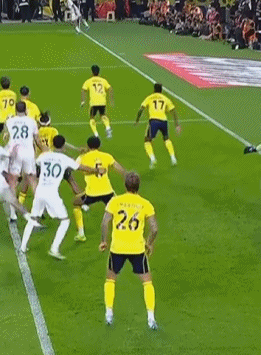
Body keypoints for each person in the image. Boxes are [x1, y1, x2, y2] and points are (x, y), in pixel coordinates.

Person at [20, 135, 101, 259]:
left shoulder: (44, 156)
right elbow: (81, 167)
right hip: (51, 194)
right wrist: (96, 171)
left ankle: (22, 246)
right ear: (63, 145)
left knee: (33, 218)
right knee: (65, 221)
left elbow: (35, 163)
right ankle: (54, 248)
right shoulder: (65, 159)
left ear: (53, 144)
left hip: (40, 191)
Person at [100, 172, 158, 329]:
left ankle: (109, 314)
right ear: (138, 186)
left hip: (117, 248)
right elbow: (154, 229)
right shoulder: (145, 204)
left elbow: (105, 222)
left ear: (125, 185)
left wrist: (104, 241)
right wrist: (149, 243)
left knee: (110, 279)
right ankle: (151, 318)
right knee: (147, 282)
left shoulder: (115, 201)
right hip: (137, 248)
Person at [72, 136, 126, 241]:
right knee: (117, 210)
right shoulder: (106, 156)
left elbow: (74, 166)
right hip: (107, 191)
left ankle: (81, 233)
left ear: (88, 145)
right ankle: (123, 231)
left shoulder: (82, 157)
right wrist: (126, 176)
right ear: (99, 145)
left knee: (75, 203)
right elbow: (118, 168)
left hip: (91, 193)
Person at [5, 102, 40, 221]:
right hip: (28, 153)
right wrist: (45, 150)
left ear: (16, 110)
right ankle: (37, 211)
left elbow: (6, 136)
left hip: (15, 152)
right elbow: (37, 140)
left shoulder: (9, 121)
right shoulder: (32, 121)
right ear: (26, 110)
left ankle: (13, 213)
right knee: (32, 181)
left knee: (13, 182)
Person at [135, 83, 180, 169]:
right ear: (161, 90)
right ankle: (173, 158)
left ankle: (152, 159)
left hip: (154, 121)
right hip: (164, 121)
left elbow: (141, 109)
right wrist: (177, 125)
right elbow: (173, 111)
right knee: (166, 138)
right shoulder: (165, 98)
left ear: (154, 89)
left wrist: (137, 120)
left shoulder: (150, 97)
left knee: (147, 140)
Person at [80, 65, 113, 138]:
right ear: (99, 72)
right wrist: (111, 100)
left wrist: (83, 101)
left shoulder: (89, 81)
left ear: (92, 72)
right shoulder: (103, 80)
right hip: (102, 101)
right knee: (103, 115)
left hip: (93, 102)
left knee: (92, 118)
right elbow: (110, 88)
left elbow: (83, 90)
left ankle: (96, 134)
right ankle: (108, 129)